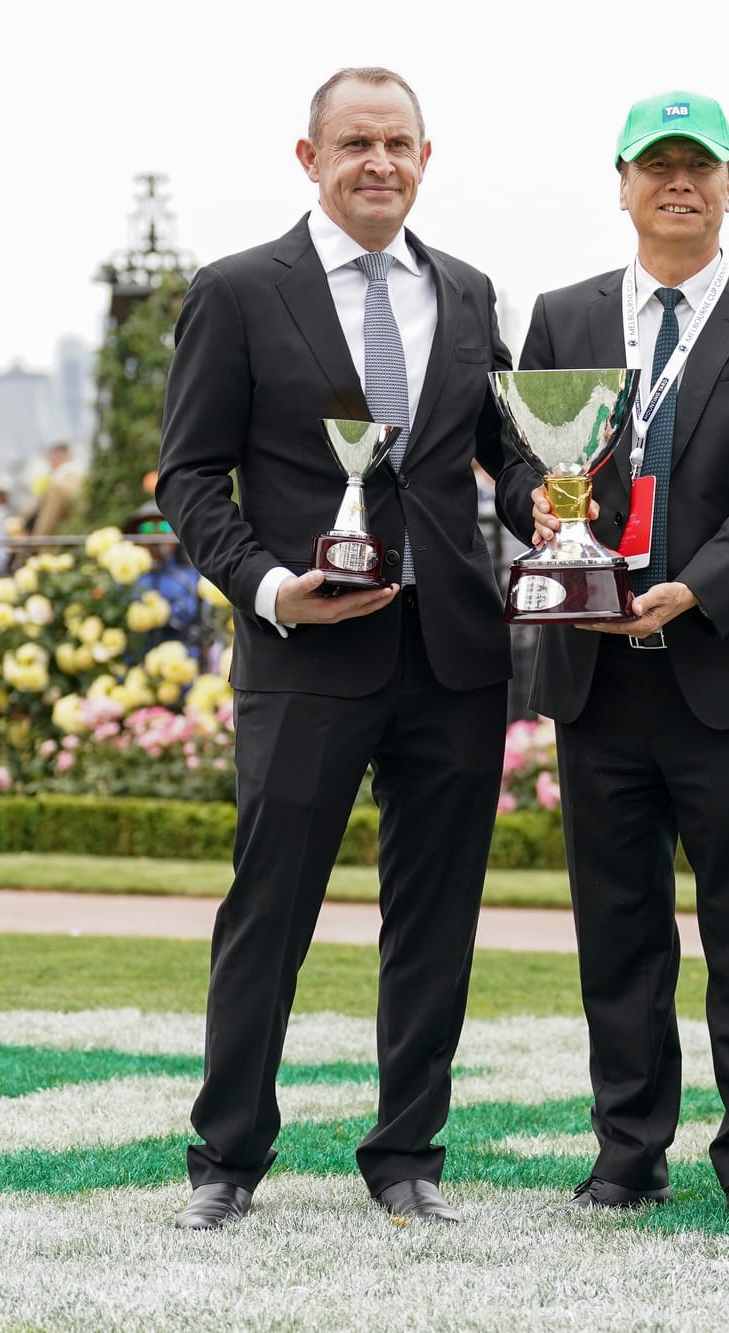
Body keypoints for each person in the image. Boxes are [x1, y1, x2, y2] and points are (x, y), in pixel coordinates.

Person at [155, 65, 513, 1231]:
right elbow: (188, 476)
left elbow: (515, 463)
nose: (380, 162)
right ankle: (227, 1160)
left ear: (424, 157)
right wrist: (265, 585)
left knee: (437, 915)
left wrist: (580, 531)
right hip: (306, 650)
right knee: (271, 907)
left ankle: (407, 1154)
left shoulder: (466, 292)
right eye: (355, 142)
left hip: (452, 650)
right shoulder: (238, 291)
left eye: (399, 143)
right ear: (307, 158)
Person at [494, 91, 729, 1227]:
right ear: (622, 180)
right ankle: (626, 1152)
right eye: (656, 164)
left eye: (699, 165)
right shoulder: (560, 313)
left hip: (725, 670)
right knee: (618, 933)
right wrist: (543, 517)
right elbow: (514, 467)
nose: (677, 182)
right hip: (594, 675)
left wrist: (695, 592)